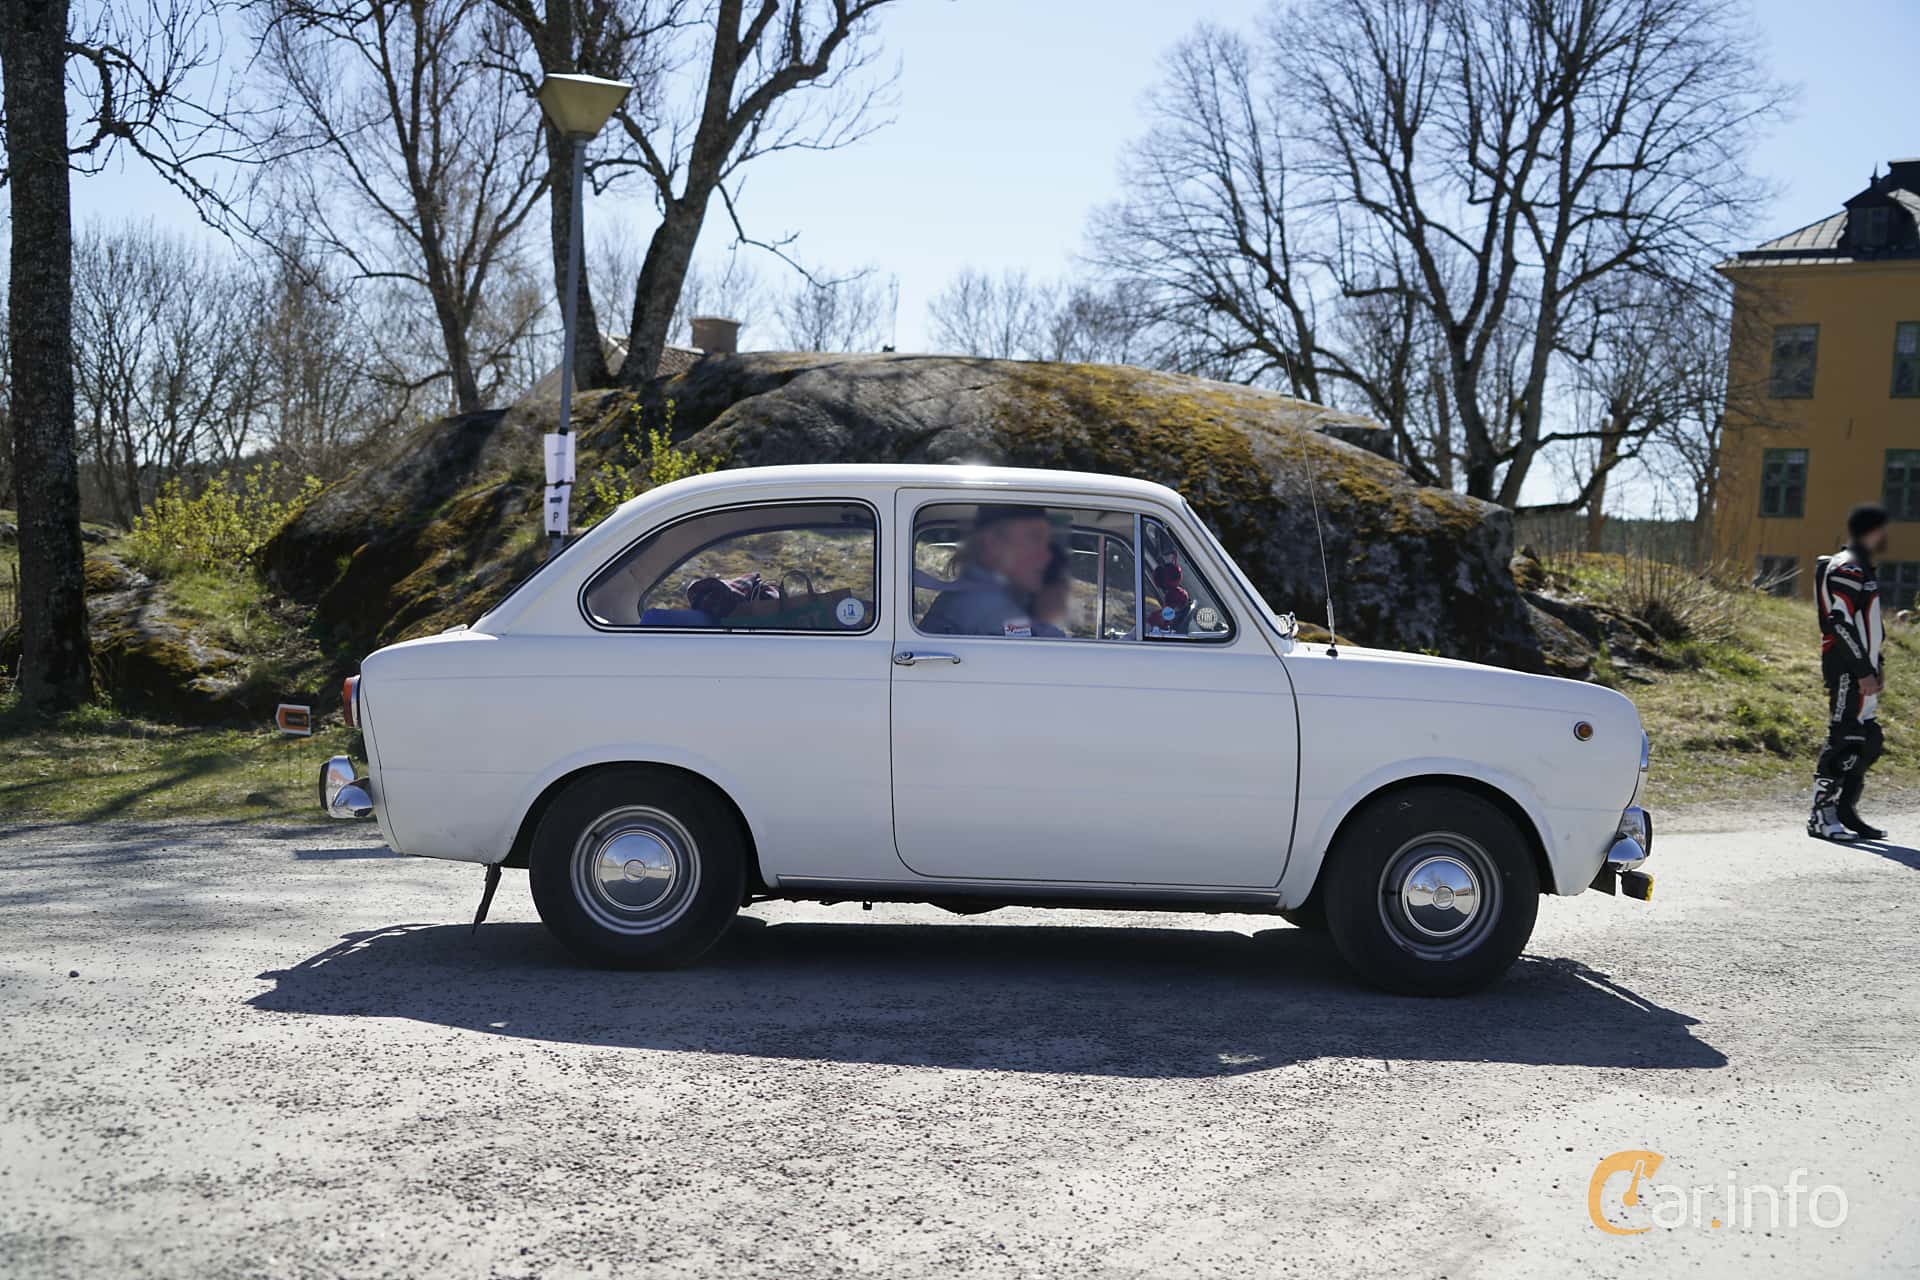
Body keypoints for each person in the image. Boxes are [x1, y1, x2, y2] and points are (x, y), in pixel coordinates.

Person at [1809, 503, 1890, 841]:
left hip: (1862, 668)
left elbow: (1868, 625)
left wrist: (1877, 665)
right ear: (1872, 531)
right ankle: (1820, 814)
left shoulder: (1862, 567)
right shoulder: (1847, 567)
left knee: (1869, 740)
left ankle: (1844, 810)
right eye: (1883, 530)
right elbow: (1839, 622)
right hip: (1847, 668)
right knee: (1845, 737)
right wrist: (1860, 670)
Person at [921, 505, 1055, 637]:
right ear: (993, 544)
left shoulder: (973, 595)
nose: (1045, 555)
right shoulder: (989, 604)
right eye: (1033, 540)